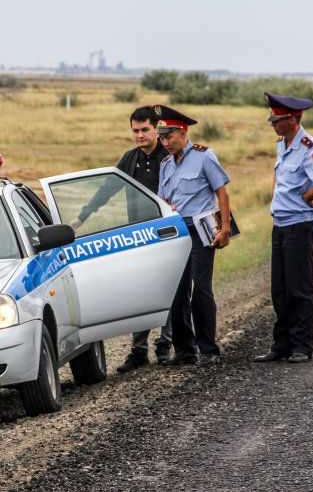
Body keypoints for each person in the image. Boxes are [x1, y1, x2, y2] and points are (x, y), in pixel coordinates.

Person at [69, 106, 174, 372]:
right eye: (135, 131)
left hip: (168, 234)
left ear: (156, 128)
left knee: (170, 288)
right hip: (140, 236)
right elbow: (107, 189)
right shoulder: (129, 159)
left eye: (145, 130)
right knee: (141, 290)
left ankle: (165, 345)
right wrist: (81, 218)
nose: (140, 135)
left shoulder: (170, 155)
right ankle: (138, 352)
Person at [255, 92, 313, 364]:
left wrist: (307, 197)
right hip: (280, 225)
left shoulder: (308, 146)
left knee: (298, 289)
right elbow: (280, 178)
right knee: (279, 289)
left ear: (292, 119)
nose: (272, 124)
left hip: (300, 226)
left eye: (276, 120)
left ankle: (302, 345)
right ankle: (282, 344)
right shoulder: (283, 143)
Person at [155, 104, 232, 368]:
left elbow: (221, 192)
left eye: (169, 137)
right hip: (176, 232)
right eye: (161, 138)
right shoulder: (165, 164)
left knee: (201, 288)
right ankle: (185, 350)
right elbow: (164, 199)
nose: (165, 143)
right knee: (176, 292)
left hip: (201, 231)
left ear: (183, 132)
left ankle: (208, 348)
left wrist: (224, 228)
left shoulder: (204, 156)